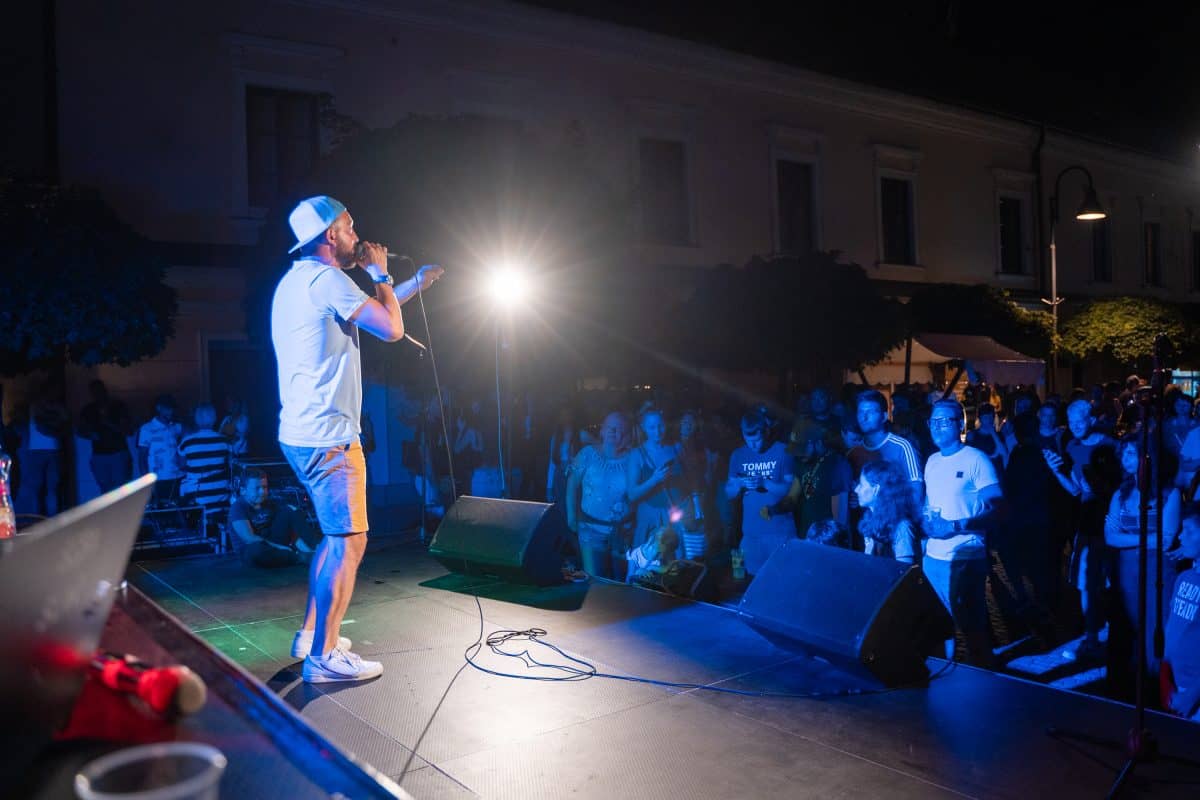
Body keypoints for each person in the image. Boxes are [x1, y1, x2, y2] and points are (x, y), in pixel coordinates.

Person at [272, 195, 442, 682]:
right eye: (349, 227)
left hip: (302, 434)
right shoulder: (329, 280)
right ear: (330, 235)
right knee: (350, 542)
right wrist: (381, 273)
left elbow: (369, 311)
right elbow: (390, 329)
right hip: (330, 438)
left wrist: (414, 284)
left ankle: (311, 634)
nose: (357, 234)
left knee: (334, 538)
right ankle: (323, 656)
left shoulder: (297, 282)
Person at [922, 398, 1007, 666]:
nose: (937, 427)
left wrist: (956, 526)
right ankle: (944, 675)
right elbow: (930, 504)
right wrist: (926, 523)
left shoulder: (976, 459)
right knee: (937, 625)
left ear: (960, 425)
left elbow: (998, 509)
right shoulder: (932, 461)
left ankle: (983, 676)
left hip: (965, 557)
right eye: (933, 421)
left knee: (971, 627)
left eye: (944, 421)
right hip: (933, 557)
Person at [1104, 436, 1181, 700]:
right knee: (1132, 623)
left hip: (1158, 570)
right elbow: (1110, 536)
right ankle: (1134, 685)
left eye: (1130, 454)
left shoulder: (1169, 493)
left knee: (1157, 624)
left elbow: (1167, 539)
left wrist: (1130, 538)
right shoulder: (1121, 493)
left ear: (1147, 458)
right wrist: (1149, 539)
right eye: (1123, 454)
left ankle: (1159, 685)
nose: (1124, 460)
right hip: (1127, 570)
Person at [1044, 398, 1119, 661]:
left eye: (1080, 421)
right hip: (1086, 521)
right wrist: (1056, 471)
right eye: (1071, 421)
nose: (1075, 426)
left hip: (1110, 522)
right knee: (1086, 583)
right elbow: (1076, 490)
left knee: (1112, 583)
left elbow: (1120, 485)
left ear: (1091, 420)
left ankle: (1113, 636)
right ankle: (1091, 638)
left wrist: (1098, 486)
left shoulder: (1110, 445)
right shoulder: (1072, 447)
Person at [725, 408, 796, 577]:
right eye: (748, 440)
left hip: (780, 533)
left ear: (766, 432)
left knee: (782, 580)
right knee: (749, 581)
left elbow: (791, 490)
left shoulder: (783, 451)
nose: (753, 445)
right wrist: (740, 484)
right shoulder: (738, 455)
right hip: (751, 535)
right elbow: (728, 492)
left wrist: (764, 482)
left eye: (757, 440)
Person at [565, 412, 632, 579]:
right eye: (610, 427)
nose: (614, 431)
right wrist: (571, 516)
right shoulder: (587, 454)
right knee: (595, 581)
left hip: (621, 532)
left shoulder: (632, 458)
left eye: (619, 428)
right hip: (590, 529)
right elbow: (572, 485)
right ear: (602, 430)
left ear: (625, 433)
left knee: (619, 583)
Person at [228, 468, 321, 567]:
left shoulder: (267, 503)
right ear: (243, 490)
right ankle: (299, 557)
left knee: (290, 510)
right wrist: (279, 547)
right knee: (256, 550)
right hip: (252, 549)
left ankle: (317, 549)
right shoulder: (237, 508)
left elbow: (290, 527)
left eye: (264, 487)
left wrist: (307, 549)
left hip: (270, 541)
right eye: (257, 488)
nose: (262, 492)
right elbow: (249, 539)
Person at [627, 408, 687, 553]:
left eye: (660, 426)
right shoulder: (637, 454)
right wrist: (654, 480)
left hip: (674, 515)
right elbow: (632, 494)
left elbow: (687, 482)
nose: (658, 431)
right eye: (652, 427)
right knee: (650, 560)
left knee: (676, 561)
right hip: (650, 516)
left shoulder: (676, 448)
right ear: (644, 428)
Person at [1163, 508, 1200, 720]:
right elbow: (1171, 629)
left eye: (1189, 530)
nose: (1180, 536)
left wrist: (1191, 696)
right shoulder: (1184, 578)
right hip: (1175, 687)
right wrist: (1165, 677)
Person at [856, 390, 923, 506]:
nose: (864, 417)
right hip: (866, 517)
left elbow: (916, 489)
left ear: (884, 416)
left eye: (870, 412)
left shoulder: (902, 447)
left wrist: (905, 516)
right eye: (860, 412)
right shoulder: (854, 452)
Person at [855, 459, 920, 564]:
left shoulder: (902, 527)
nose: (856, 489)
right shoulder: (870, 519)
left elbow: (904, 571)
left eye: (861, 485)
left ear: (876, 489)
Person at [78, 379, 134, 493]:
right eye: (94, 392)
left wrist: (108, 423)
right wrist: (90, 435)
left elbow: (128, 430)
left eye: (99, 391)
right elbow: (80, 429)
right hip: (99, 454)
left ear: (105, 390)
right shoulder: (88, 409)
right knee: (105, 489)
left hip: (118, 453)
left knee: (121, 488)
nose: (97, 394)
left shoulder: (118, 406)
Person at [177, 403, 231, 510]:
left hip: (195, 496)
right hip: (220, 494)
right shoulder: (225, 440)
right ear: (214, 419)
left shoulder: (187, 441)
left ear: (196, 419)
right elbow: (231, 465)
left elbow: (181, 465)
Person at [137, 394, 184, 504]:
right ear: (159, 408)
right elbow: (142, 457)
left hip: (177, 477)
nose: (171, 411)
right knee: (162, 510)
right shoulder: (147, 429)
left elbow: (190, 435)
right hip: (158, 479)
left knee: (178, 509)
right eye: (168, 408)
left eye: (172, 408)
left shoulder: (176, 427)